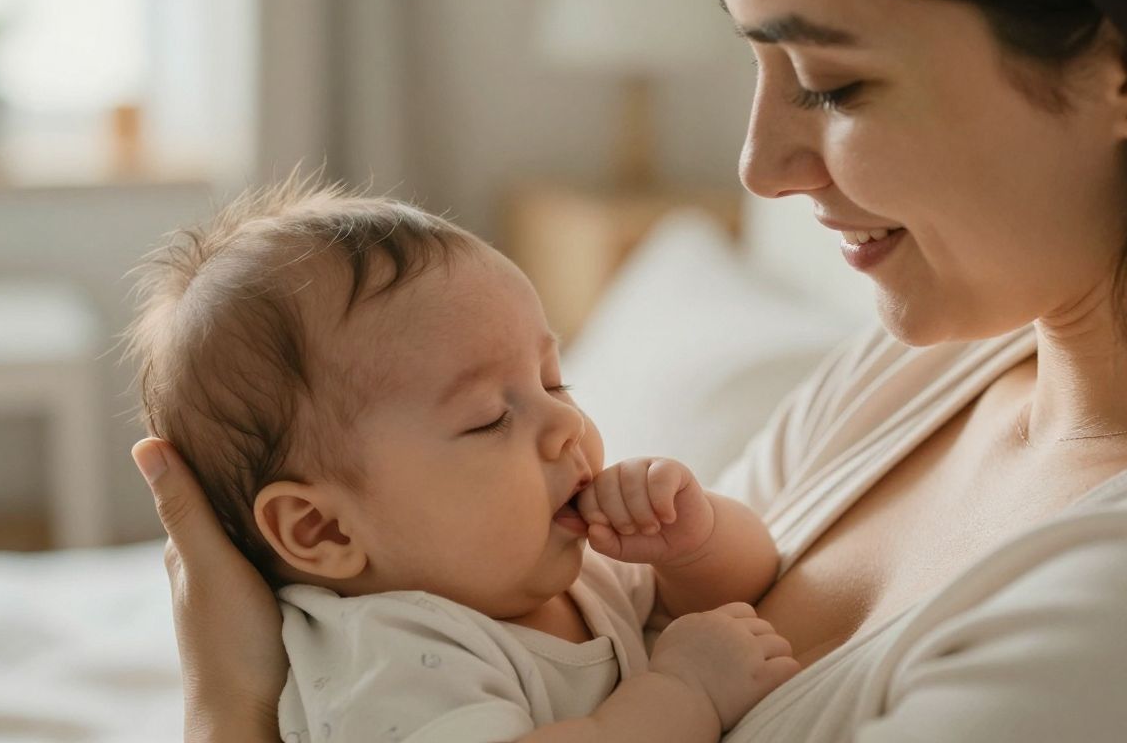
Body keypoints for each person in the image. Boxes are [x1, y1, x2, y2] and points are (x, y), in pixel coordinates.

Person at [131, 0, 1127, 740]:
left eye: (834, 84)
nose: (757, 164)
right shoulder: (909, 369)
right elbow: (711, 579)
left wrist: (230, 711)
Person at [124, 182, 799, 742]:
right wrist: (682, 692)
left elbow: (746, 587)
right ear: (322, 529)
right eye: (489, 418)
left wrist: (693, 542)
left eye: (553, 380)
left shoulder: (559, 569)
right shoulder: (387, 655)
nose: (566, 422)